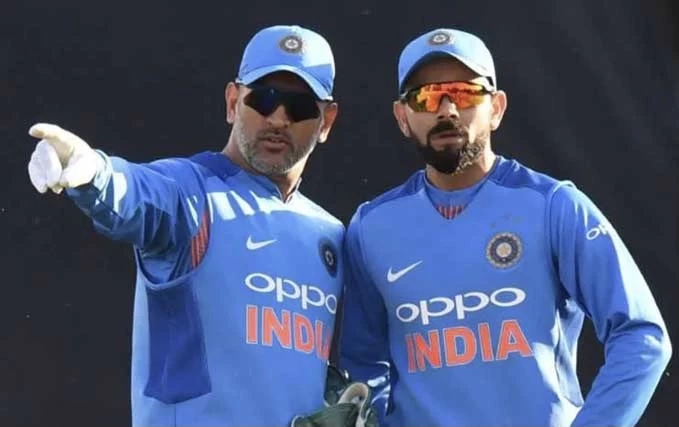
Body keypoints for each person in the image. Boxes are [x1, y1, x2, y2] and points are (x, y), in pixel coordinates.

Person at [338, 27, 672, 427]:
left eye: (464, 93)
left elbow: (642, 337)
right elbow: (364, 366)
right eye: (426, 97)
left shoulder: (553, 206)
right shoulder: (371, 227)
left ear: (496, 108)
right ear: (402, 117)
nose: (447, 110)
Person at [27, 24, 347, 427]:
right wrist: (93, 172)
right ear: (233, 102)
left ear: (326, 121)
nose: (279, 118)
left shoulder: (331, 234)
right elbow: (136, 194)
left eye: (299, 107)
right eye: (263, 99)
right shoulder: (188, 192)